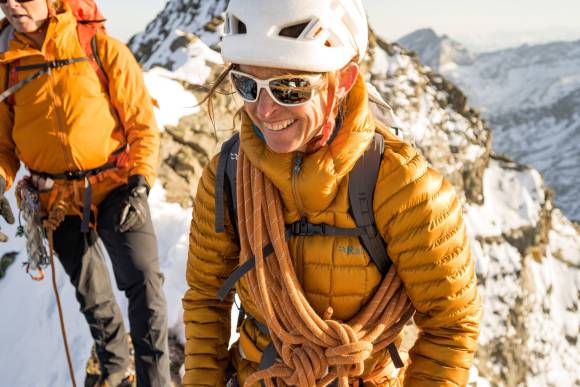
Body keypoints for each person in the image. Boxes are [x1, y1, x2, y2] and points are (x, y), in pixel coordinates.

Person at [183, 0, 482, 386]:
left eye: (290, 88)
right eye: (247, 84)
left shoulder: (404, 187)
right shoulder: (228, 174)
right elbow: (206, 298)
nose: (265, 110)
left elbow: (451, 324)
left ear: (341, 81)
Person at [0, 1, 171, 386]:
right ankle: (113, 370)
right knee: (91, 294)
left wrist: (140, 182)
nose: (12, 4)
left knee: (143, 284)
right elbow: (3, 147)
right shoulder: (6, 62)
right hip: (54, 199)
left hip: (117, 186)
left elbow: (142, 123)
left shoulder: (98, 46)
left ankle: (154, 380)